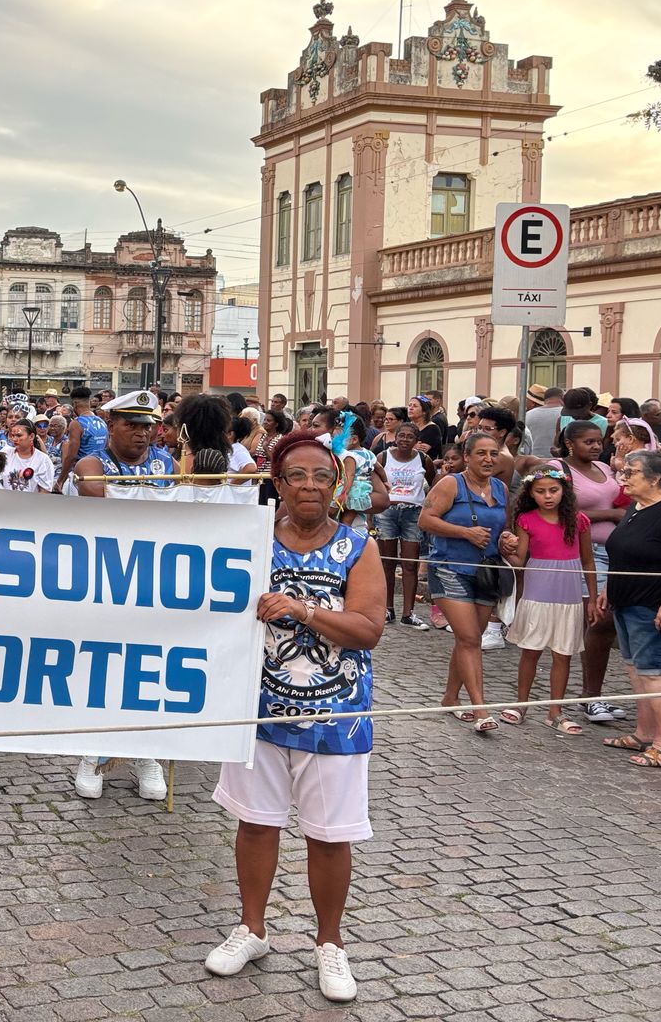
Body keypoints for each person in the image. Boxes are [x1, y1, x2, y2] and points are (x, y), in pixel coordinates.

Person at [204, 429, 386, 1004]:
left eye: (322, 477)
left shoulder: (359, 547)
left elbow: (369, 629)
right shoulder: (249, 539)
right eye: (298, 476)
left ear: (337, 486)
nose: (310, 486)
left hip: (336, 716)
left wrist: (304, 611)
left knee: (330, 837)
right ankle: (252, 929)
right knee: (256, 823)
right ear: (277, 482)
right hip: (256, 710)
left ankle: (329, 943)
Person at [70, 390, 173, 800]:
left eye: (147, 425)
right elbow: (110, 510)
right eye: (131, 424)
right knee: (103, 669)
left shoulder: (168, 464)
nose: (141, 433)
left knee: (149, 670)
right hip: (104, 584)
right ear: (110, 425)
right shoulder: (92, 464)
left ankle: (145, 751)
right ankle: (93, 752)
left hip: (154, 585)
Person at [525, 420, 625, 723]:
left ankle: (592, 692)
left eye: (599, 441)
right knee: (596, 621)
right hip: (578, 555)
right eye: (589, 442)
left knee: (604, 623)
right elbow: (557, 509)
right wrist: (611, 514)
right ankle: (589, 696)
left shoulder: (606, 469)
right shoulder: (559, 469)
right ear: (570, 443)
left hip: (614, 552)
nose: (597, 446)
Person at [420, 432, 508, 733]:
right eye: (481, 453)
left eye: (493, 453)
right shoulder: (450, 484)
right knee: (471, 638)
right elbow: (426, 520)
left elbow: (501, 527)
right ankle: (480, 708)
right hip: (449, 567)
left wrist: (507, 540)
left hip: (486, 571)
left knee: (468, 638)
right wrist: (465, 533)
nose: (488, 459)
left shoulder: (501, 488)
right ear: (467, 457)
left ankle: (450, 698)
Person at [496, 468, 595, 734]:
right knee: (530, 652)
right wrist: (504, 548)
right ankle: (521, 704)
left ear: (564, 490)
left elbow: (588, 561)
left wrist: (594, 598)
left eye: (553, 490)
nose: (548, 496)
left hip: (570, 597)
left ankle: (556, 711)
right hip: (537, 595)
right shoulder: (527, 520)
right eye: (540, 491)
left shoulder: (579, 520)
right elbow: (520, 560)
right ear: (531, 493)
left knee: (563, 654)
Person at [598, 450, 661, 768]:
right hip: (625, 602)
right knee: (636, 671)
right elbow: (624, 551)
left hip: (653, 607)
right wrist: (607, 587)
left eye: (631, 473)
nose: (624, 478)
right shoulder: (638, 504)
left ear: (654, 478)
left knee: (655, 673)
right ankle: (644, 733)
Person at [376, 423, 435, 629]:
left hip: (413, 513)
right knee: (388, 563)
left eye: (410, 437)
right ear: (395, 437)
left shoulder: (423, 459)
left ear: (416, 440)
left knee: (410, 564)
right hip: (387, 512)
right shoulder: (383, 457)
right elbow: (373, 482)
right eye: (401, 436)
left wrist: (427, 507)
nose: (405, 440)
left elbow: (433, 482)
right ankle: (387, 609)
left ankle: (408, 613)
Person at [0, 420, 55, 492]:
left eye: (19, 435)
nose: (14, 439)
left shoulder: (43, 460)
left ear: (31, 436)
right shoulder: (5, 453)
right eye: (13, 435)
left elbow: (44, 492)